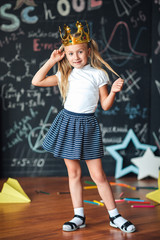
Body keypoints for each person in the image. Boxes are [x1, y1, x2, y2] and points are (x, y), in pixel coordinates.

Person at [32, 21, 136, 233]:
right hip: (67, 123)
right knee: (74, 174)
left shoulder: (99, 74)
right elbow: (36, 81)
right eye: (70, 54)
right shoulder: (65, 74)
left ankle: (114, 216)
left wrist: (114, 91)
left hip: (88, 125)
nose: (75, 57)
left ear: (89, 50)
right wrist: (51, 61)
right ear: (65, 55)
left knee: (99, 176)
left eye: (80, 52)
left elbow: (105, 106)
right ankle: (79, 215)